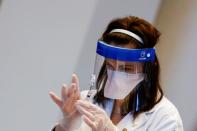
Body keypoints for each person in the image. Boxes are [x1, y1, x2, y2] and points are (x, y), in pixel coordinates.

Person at [49, 16, 184, 131]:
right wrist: (65, 127)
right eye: (110, 66)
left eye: (127, 69)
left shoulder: (165, 117)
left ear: (148, 68)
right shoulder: (87, 101)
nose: (116, 76)